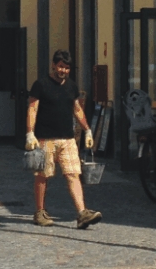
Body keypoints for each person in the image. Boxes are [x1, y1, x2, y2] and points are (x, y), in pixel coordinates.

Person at [25, 50, 101, 229]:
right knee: (42, 176)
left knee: (73, 174)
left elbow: (77, 109)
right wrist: (29, 133)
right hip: (45, 139)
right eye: (60, 67)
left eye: (66, 68)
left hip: (68, 139)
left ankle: (82, 213)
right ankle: (40, 212)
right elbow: (32, 109)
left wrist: (87, 130)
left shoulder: (72, 86)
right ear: (53, 65)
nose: (63, 71)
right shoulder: (41, 85)